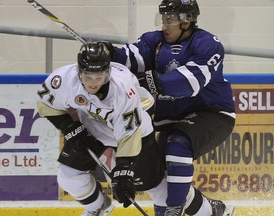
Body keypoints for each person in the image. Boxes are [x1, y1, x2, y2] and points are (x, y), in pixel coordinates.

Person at [103, 0, 236, 215]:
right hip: (171, 119)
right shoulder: (153, 40)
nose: (164, 25)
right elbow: (130, 57)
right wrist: (108, 53)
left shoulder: (207, 44)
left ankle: (173, 211)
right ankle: (213, 211)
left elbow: (189, 82)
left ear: (187, 21)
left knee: (178, 146)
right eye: (163, 19)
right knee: (164, 178)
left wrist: (151, 81)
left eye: (170, 20)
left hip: (211, 113)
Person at [36, 42, 166, 216]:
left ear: (108, 72)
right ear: (79, 72)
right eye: (88, 77)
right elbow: (46, 103)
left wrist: (123, 170)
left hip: (137, 132)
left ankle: (203, 210)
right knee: (68, 177)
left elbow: (129, 134)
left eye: (99, 77)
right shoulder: (64, 79)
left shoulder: (122, 89)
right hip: (94, 128)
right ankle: (98, 207)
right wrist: (70, 128)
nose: (93, 83)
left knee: (159, 192)